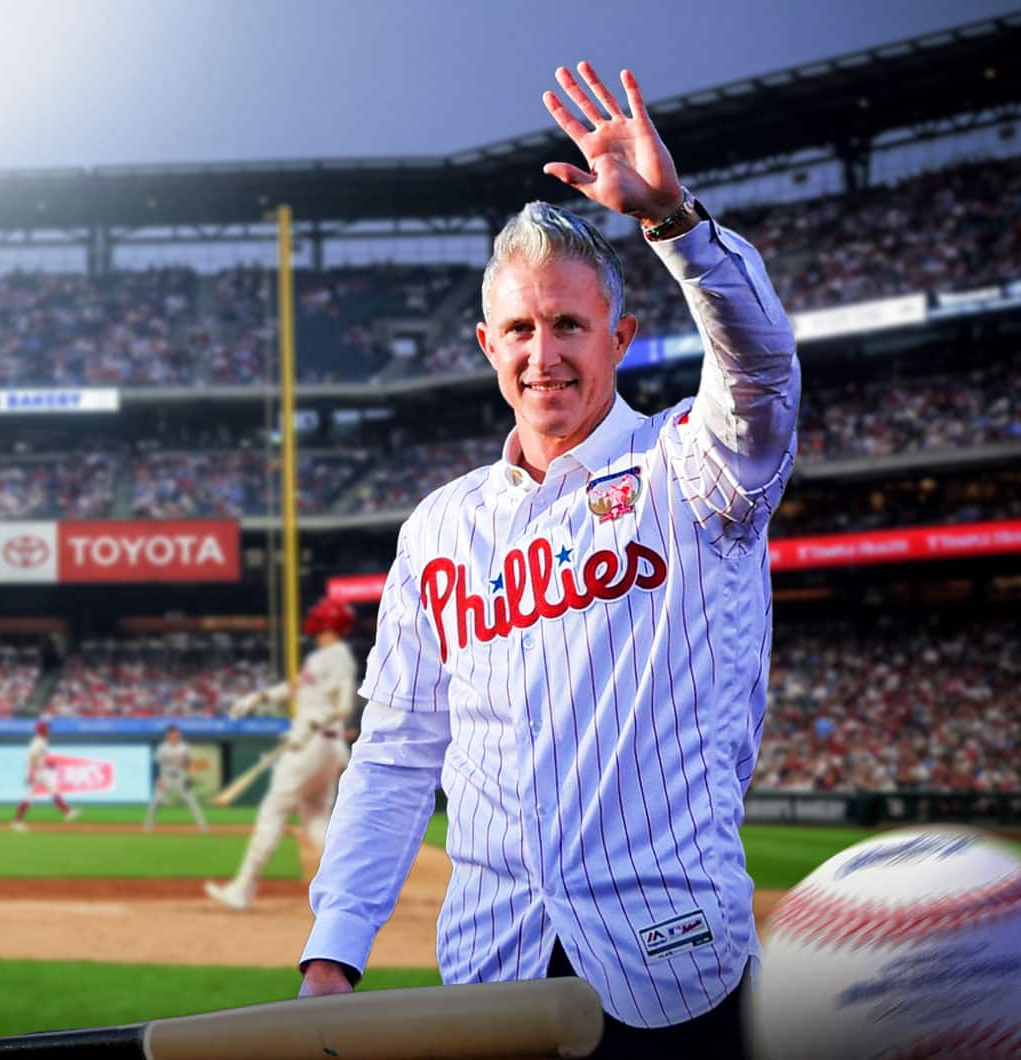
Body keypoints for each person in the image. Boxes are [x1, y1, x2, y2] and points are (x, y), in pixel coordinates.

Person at [298, 64, 799, 1060]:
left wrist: (672, 222)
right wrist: (332, 955)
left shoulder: (694, 470)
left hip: (677, 976)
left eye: (569, 324)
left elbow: (764, 371)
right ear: (487, 344)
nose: (545, 355)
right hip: (493, 979)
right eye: (521, 329)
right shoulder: (437, 530)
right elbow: (397, 756)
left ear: (620, 334)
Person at [205, 598, 357, 910]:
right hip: (328, 747)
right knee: (315, 817)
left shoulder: (337, 656)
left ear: (326, 623)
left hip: (311, 743)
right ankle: (350, 888)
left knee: (274, 809)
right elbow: (295, 687)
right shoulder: (324, 657)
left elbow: (343, 706)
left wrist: (310, 726)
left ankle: (242, 889)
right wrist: (257, 698)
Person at [11, 720, 78, 831]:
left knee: (54, 789)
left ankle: (68, 813)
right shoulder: (38, 742)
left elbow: (39, 757)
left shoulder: (42, 741)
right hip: (36, 772)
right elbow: (32, 757)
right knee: (28, 798)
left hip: (42, 771)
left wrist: (48, 764)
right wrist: (31, 774)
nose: (49, 730)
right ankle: (17, 822)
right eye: (47, 728)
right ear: (42, 730)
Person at [143, 724, 209, 832]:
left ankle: (203, 827)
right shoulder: (162, 747)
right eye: (174, 733)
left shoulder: (184, 747)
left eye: (177, 733)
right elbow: (155, 764)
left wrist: (191, 775)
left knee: (192, 801)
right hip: (166, 777)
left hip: (180, 777)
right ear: (169, 735)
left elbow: (190, 762)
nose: (177, 734)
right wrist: (158, 779)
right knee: (156, 802)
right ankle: (148, 827)